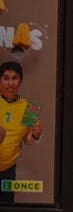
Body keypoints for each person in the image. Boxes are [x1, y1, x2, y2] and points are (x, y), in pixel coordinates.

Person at [0, 61, 42, 202]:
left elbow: (28, 141)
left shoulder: (29, 108)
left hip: (8, 170)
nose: (10, 83)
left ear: (20, 81)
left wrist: (36, 135)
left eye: (15, 78)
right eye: (6, 78)